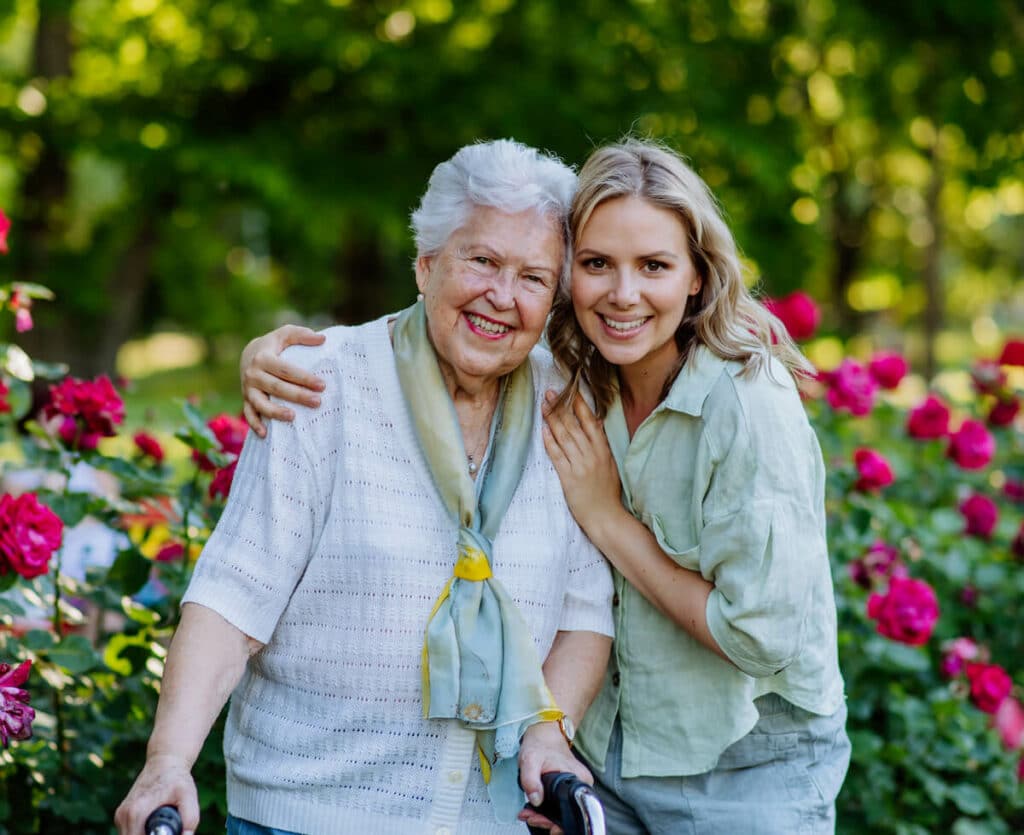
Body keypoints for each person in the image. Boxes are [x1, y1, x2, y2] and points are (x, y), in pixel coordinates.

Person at [243, 137, 850, 834]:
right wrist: (270, 356)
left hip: (741, 764)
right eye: (596, 264)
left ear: (697, 275)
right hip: (603, 759)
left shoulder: (746, 404)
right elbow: (455, 323)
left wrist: (606, 516)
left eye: (654, 265)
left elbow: (758, 634)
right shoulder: (572, 378)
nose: (623, 294)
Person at [115, 139, 614, 835]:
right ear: (426, 264)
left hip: (489, 820)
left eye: (534, 277)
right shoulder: (320, 383)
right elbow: (233, 596)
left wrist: (549, 732)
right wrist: (168, 760)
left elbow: (586, 608)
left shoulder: (567, 407)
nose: (503, 295)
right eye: (482, 261)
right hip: (307, 812)